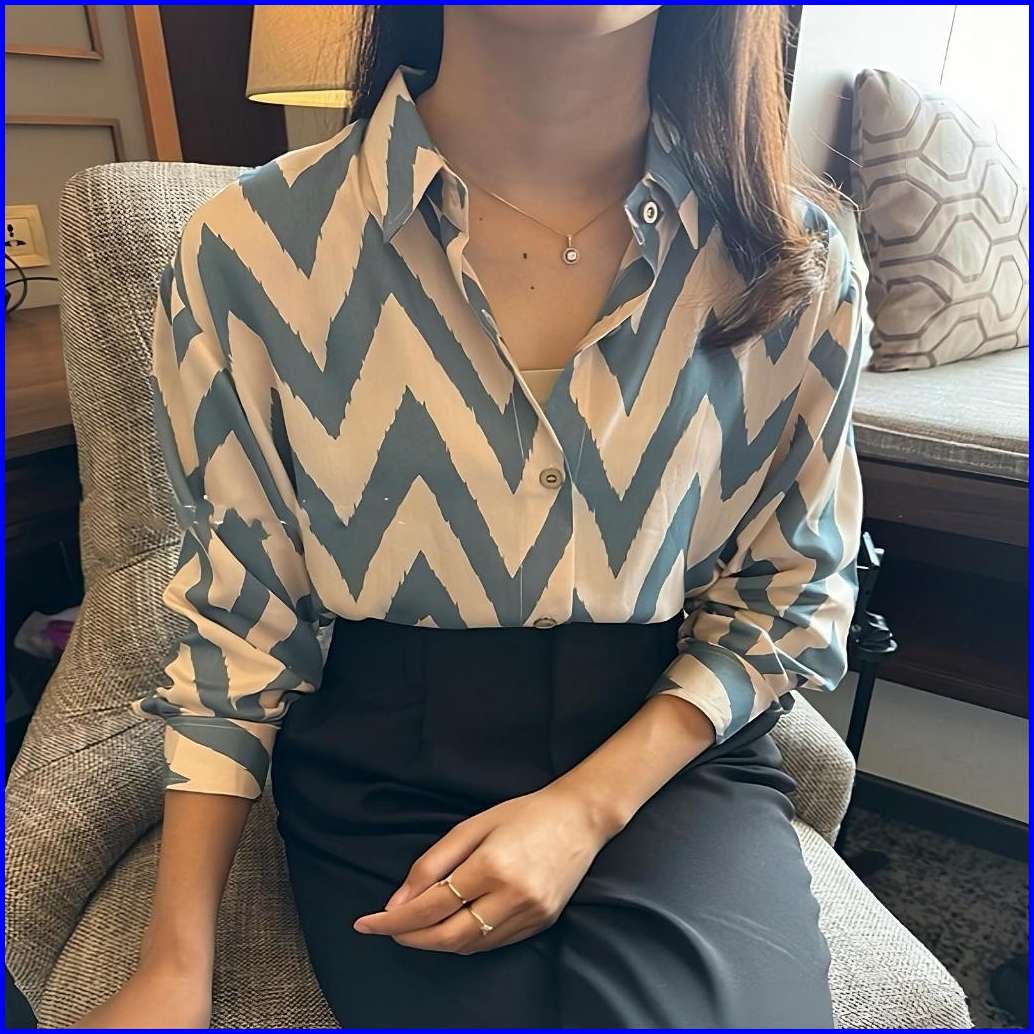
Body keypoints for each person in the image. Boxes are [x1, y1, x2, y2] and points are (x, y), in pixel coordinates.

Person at [75, 5, 864, 1029]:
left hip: (669, 756)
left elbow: (787, 593)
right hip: (385, 764)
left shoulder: (794, 261)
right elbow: (239, 618)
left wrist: (582, 809)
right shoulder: (251, 248)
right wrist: (175, 961)